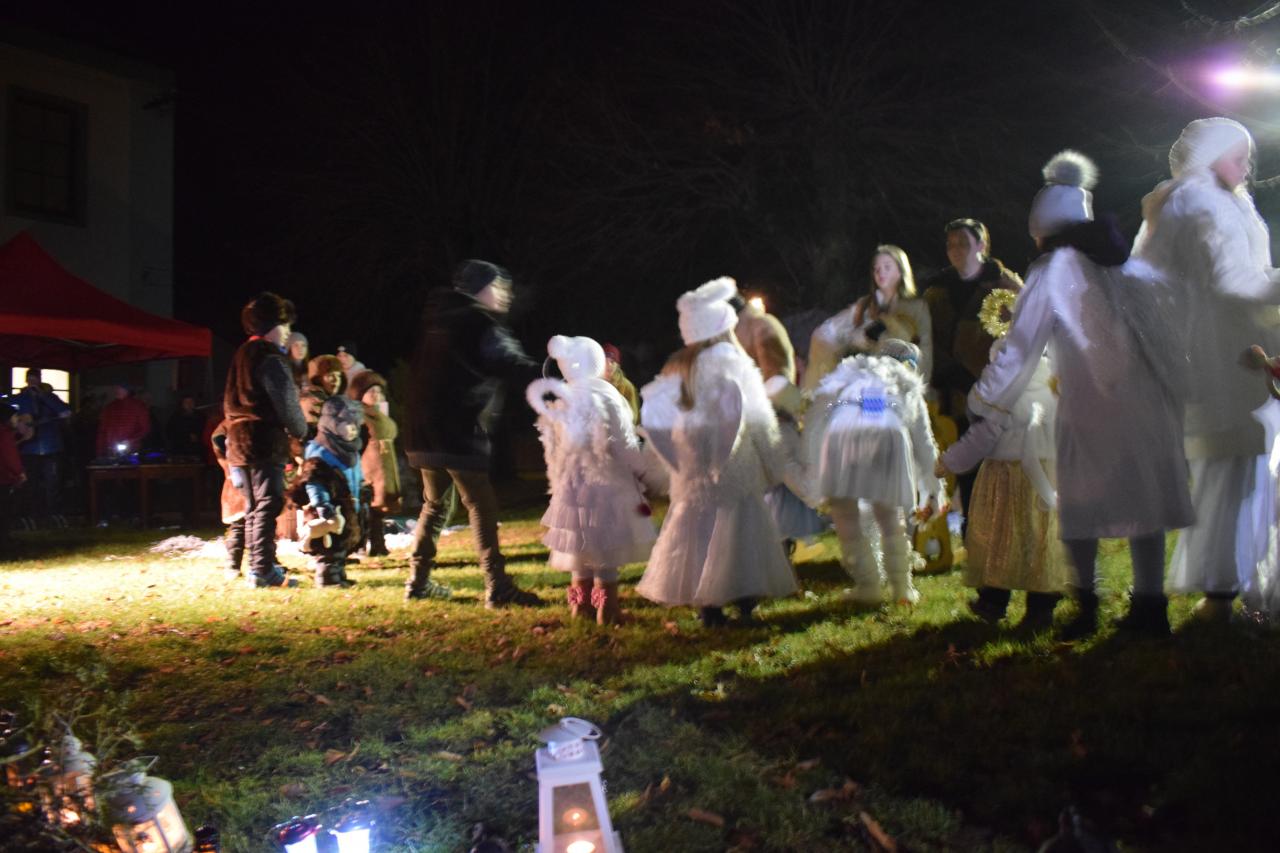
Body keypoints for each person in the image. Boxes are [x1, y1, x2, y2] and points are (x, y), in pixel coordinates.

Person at [971, 150, 1194, 637]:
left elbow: (1021, 347)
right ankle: (1150, 607)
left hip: (1092, 405)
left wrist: (984, 401)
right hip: (1144, 400)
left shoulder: (1049, 270)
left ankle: (1087, 606)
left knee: (1080, 506)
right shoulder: (1119, 263)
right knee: (1143, 502)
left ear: (1041, 229)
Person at [1131, 118, 1280, 625]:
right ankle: (1218, 594)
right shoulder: (1196, 203)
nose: (1247, 165)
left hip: (1242, 350)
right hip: (1218, 355)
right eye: (1237, 155)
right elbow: (1232, 280)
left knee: (1244, 474)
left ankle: (1234, 588)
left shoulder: (1228, 202)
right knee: (1227, 473)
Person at [636, 277, 801, 626]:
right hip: (732, 469)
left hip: (691, 471)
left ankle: (708, 608)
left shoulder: (677, 367)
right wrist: (773, 462)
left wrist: (667, 465)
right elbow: (757, 417)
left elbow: (661, 421)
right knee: (738, 535)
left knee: (697, 532)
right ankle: (743, 601)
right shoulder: (734, 363)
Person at [403, 259, 543, 606]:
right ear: (482, 288)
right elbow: (511, 363)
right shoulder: (480, 323)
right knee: (481, 505)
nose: (507, 294)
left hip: (423, 432)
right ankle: (498, 586)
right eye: (500, 287)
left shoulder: (436, 323)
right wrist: (555, 373)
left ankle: (418, 582)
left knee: (435, 505)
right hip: (458, 430)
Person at [938, 293, 1067, 631]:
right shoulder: (1054, 385)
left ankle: (995, 600)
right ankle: (1039, 606)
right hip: (1047, 473)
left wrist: (949, 462)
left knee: (1000, 539)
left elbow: (982, 435)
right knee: (1039, 541)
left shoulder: (1002, 394)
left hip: (1007, 476)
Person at [527, 335, 658, 624]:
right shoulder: (607, 396)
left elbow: (554, 446)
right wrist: (640, 468)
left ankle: (579, 606)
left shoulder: (563, 399)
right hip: (606, 482)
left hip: (571, 486)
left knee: (581, 547)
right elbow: (623, 441)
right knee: (605, 547)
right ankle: (607, 609)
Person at [804, 338, 945, 606]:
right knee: (889, 514)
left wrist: (813, 469)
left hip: (843, 434)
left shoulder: (852, 372)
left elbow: (817, 417)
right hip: (887, 435)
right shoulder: (906, 382)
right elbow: (924, 442)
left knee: (846, 514)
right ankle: (902, 588)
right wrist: (934, 487)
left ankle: (868, 586)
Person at [923, 221, 1022, 529]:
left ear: (981, 246)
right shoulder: (936, 294)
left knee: (999, 466)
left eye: (963, 243)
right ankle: (972, 530)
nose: (956, 250)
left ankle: (1002, 531)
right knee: (967, 468)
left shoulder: (1005, 287)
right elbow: (927, 341)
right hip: (954, 393)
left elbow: (1024, 336)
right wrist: (948, 373)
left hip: (996, 393)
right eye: (951, 244)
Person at [223, 291, 308, 588]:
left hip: (238, 440)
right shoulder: (269, 356)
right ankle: (262, 570)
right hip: (263, 440)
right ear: (273, 325)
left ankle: (260, 565)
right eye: (285, 326)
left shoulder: (240, 355)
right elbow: (286, 402)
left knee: (252, 506)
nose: (287, 333)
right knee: (268, 503)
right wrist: (301, 431)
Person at [805, 245, 934, 390]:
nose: (880, 273)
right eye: (876, 269)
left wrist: (915, 386)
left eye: (887, 267)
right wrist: (853, 338)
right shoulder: (864, 306)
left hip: (899, 383)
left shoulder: (917, 307)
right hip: (864, 382)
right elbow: (828, 332)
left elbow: (924, 350)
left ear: (900, 271)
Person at [289, 397, 365, 588]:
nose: (352, 430)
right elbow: (314, 480)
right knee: (329, 545)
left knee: (343, 543)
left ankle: (338, 573)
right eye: (348, 426)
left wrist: (363, 490)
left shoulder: (350, 451)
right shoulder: (320, 451)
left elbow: (357, 475)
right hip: (328, 508)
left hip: (347, 505)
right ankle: (327, 577)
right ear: (332, 425)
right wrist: (322, 505)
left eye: (355, 426)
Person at [347, 369, 402, 558]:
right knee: (368, 509)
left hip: (385, 467)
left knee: (378, 511)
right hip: (369, 469)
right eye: (371, 391)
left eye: (378, 391)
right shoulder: (359, 416)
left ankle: (378, 545)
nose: (375, 395)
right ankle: (361, 545)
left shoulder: (380, 413)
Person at [13, 368, 70, 523]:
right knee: (31, 484)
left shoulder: (49, 397)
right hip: (28, 447)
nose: (32, 382)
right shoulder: (20, 399)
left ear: (39, 380)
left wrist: (43, 396)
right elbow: (8, 414)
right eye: (30, 379)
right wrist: (18, 425)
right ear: (26, 381)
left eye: (35, 379)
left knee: (53, 483)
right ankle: (33, 515)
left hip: (50, 445)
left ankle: (53, 514)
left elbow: (65, 410)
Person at [210, 419, 248, 581]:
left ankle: (267, 561)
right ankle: (233, 563)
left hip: (255, 476)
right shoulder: (229, 423)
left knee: (262, 522)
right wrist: (231, 464)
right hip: (238, 479)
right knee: (239, 523)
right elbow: (218, 439)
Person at [96, 385, 152, 458]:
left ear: (127, 390)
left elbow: (145, 428)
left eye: (120, 388)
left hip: (131, 450)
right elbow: (102, 430)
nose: (117, 390)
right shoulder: (109, 408)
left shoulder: (138, 406)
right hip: (111, 451)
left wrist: (130, 441)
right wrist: (100, 451)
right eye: (116, 388)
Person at [0, 402, 27, 549]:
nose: (17, 419)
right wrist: (19, 472)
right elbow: (9, 455)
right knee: (5, 510)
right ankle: (4, 540)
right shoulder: (4, 434)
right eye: (15, 416)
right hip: (3, 478)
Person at [301, 355, 347, 437]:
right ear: (318, 379)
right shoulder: (314, 401)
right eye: (330, 375)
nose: (336, 380)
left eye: (338, 375)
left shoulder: (328, 399)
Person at [602, 343, 640, 424]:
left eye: (612, 361)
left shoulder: (627, 386)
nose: (608, 365)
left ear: (617, 365)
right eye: (604, 361)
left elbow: (634, 418)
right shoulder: (594, 384)